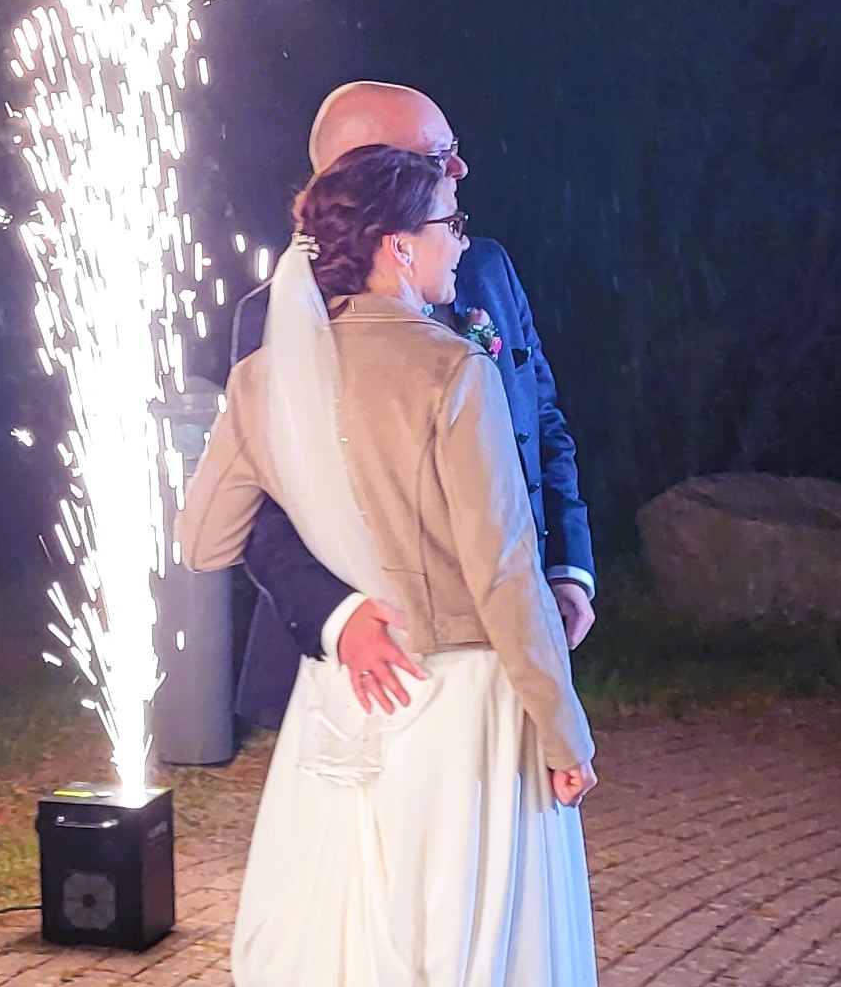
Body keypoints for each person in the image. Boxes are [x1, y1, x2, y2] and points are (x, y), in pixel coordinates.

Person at [175, 140, 650, 987]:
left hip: (345, 712)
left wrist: (340, 589)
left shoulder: (266, 379)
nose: (460, 242)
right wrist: (565, 727)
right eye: (446, 223)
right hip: (463, 713)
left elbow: (205, 537)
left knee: (355, 982)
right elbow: (503, 573)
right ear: (397, 247)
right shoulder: (450, 370)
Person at [230, 82, 592, 736]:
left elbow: (540, 421)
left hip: (510, 639)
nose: (460, 168)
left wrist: (567, 567)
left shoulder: (483, 268)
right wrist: (338, 617)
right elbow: (258, 510)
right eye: (437, 155)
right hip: (375, 665)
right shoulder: (278, 315)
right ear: (365, 174)